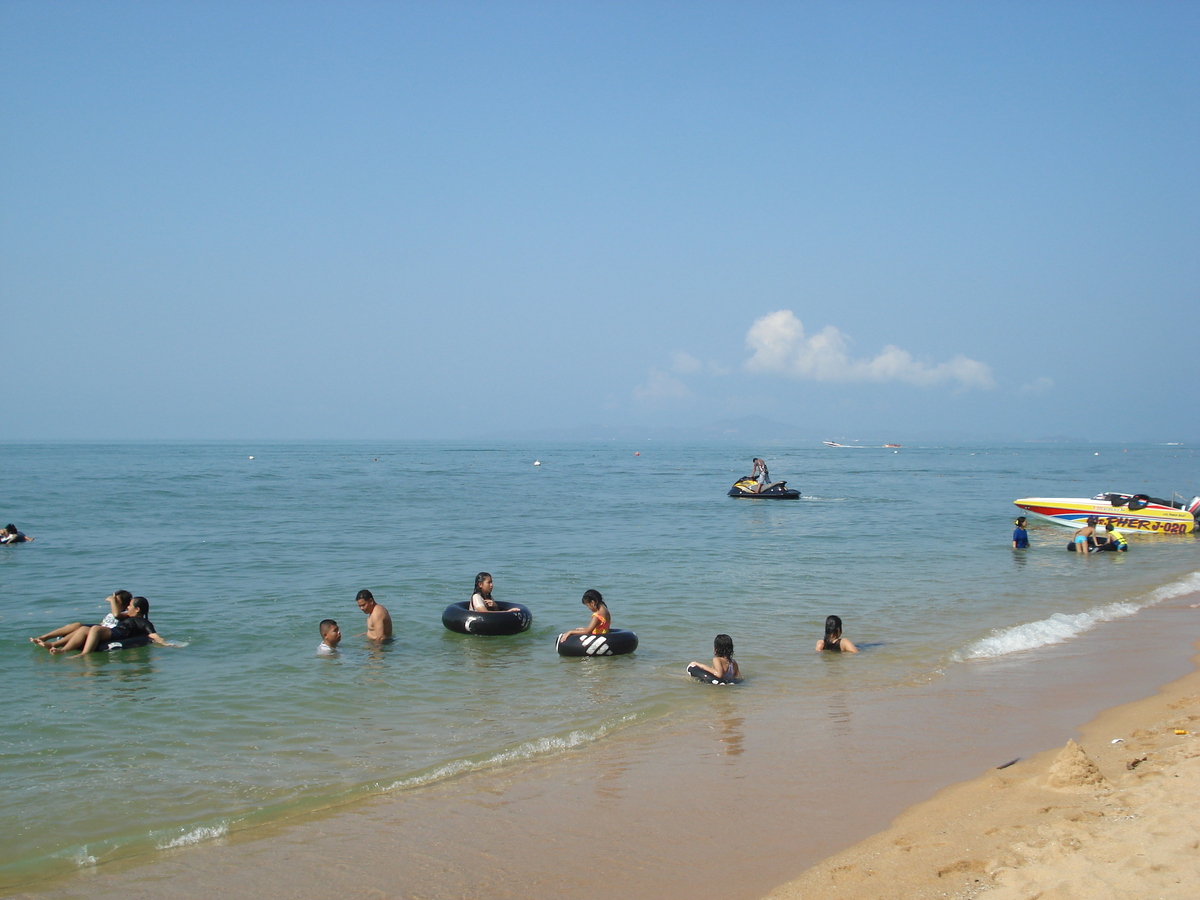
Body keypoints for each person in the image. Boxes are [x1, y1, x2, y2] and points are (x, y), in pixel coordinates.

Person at [49, 596, 170, 656]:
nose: (127, 607)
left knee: (95, 629)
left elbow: (153, 634)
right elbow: (116, 614)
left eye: (130, 606)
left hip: (121, 634)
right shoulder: (127, 616)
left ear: (137, 609)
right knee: (84, 628)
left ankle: (84, 654)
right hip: (115, 630)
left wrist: (164, 643)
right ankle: (62, 649)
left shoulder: (143, 622)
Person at [31, 590, 134, 648]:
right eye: (113, 600)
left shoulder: (126, 613)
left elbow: (116, 615)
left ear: (125, 604)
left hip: (107, 632)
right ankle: (45, 637)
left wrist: (111, 601)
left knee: (84, 629)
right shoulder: (112, 612)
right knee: (77, 625)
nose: (114, 603)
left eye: (117, 601)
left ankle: (54, 645)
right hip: (101, 627)